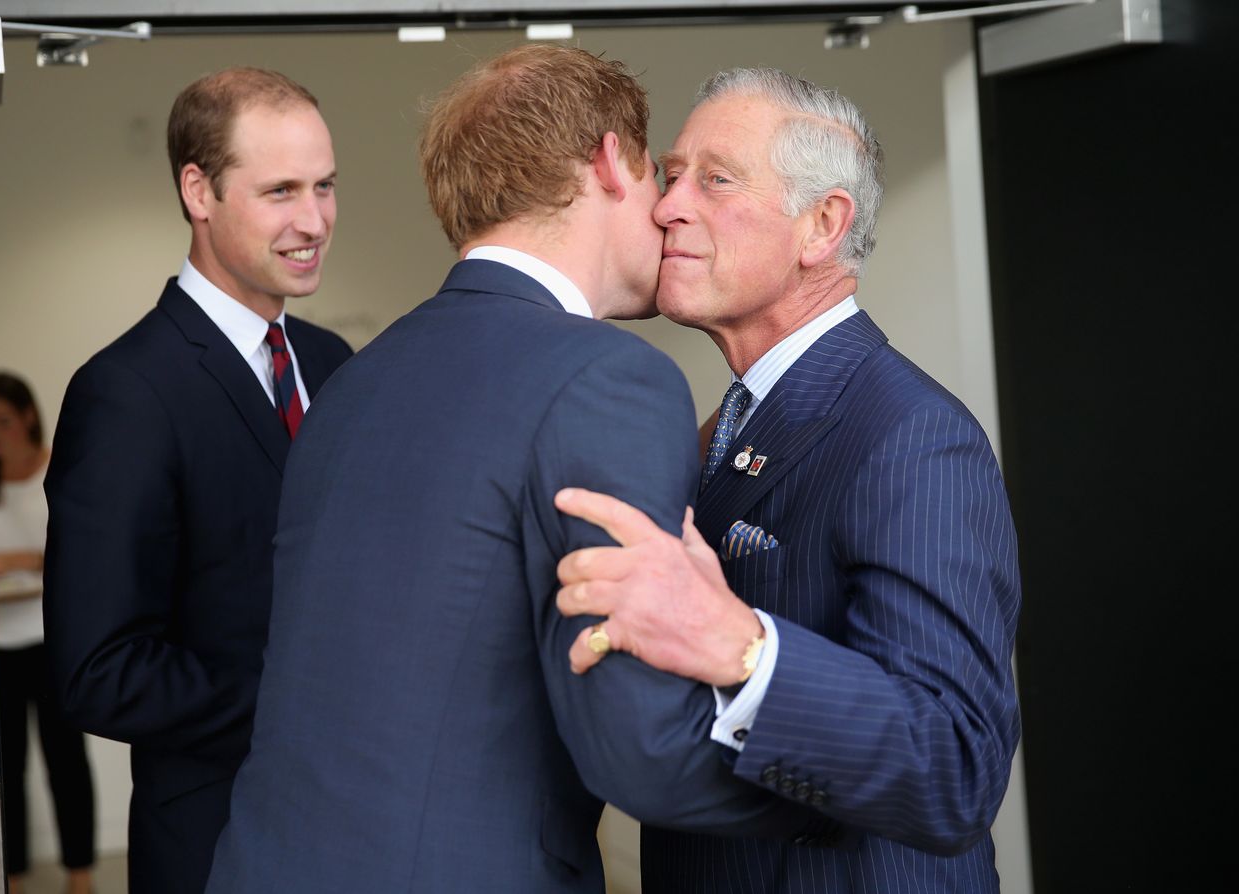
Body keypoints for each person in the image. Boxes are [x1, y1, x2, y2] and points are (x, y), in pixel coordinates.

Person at [206, 46, 814, 894]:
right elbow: (640, 750)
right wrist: (852, 781)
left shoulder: (353, 383)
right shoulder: (609, 376)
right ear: (609, 161)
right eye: (657, 175)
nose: (671, 210)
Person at [553, 68, 1022, 892]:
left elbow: (954, 767)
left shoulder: (913, 437)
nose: (666, 207)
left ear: (822, 226)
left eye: (715, 179)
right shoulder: (720, 428)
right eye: (669, 176)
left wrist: (740, 646)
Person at [42, 67, 353, 894]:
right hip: (217, 851)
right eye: (281, 190)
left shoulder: (334, 363)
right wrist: (301, 706)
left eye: (325, 186)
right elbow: (95, 670)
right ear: (198, 189)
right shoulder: (127, 392)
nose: (314, 219)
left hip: (358, 833)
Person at [0, 372, 95, 894]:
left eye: (2, 421)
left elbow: (83, 553)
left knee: (66, 762)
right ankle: (15, 879)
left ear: (28, 416)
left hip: (53, 641)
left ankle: (80, 875)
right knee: (5, 771)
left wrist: (26, 559)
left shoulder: (59, 469)